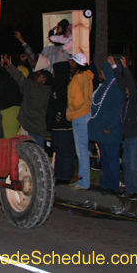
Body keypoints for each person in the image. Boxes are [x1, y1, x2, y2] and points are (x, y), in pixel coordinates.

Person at [87, 58, 124, 195]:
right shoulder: (103, 86)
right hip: (101, 131)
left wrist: (111, 126)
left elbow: (117, 110)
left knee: (111, 158)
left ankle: (113, 185)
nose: (100, 73)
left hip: (110, 131)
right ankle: (105, 183)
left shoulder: (116, 88)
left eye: (103, 70)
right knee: (104, 158)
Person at [114, 57, 137, 199]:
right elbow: (121, 83)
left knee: (136, 164)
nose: (126, 88)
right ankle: (130, 189)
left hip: (136, 135)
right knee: (127, 163)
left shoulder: (135, 98)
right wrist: (115, 68)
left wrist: (125, 68)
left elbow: (128, 82)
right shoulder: (127, 98)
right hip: (128, 136)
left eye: (128, 87)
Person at [2, 55, 51, 148]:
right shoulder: (32, 86)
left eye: (39, 76)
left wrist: (11, 66)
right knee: (33, 147)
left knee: (38, 147)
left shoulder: (46, 91)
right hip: (32, 125)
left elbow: (20, 78)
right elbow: (20, 77)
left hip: (38, 125)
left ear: (44, 79)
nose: (36, 77)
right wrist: (10, 65)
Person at [67, 52, 93, 190]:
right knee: (83, 150)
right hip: (87, 113)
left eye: (72, 61)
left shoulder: (77, 78)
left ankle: (84, 181)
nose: (70, 63)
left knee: (81, 151)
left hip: (79, 115)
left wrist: (70, 109)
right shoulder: (87, 76)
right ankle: (83, 179)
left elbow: (77, 101)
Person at [47, 60, 75, 184]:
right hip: (56, 124)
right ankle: (59, 174)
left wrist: (60, 115)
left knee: (65, 150)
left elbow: (66, 103)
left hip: (64, 123)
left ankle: (65, 175)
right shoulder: (56, 84)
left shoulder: (67, 85)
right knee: (58, 149)